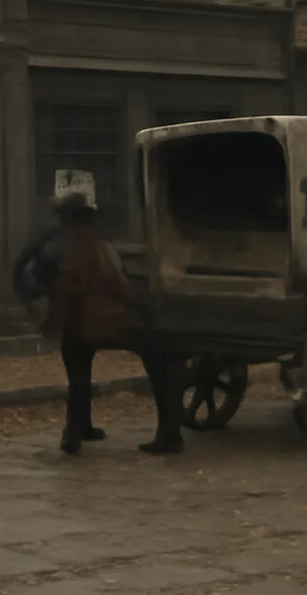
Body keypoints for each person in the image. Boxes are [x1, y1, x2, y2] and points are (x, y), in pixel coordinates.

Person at [13, 192, 183, 456]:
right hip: (109, 320)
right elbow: (119, 285)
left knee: (78, 376)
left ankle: (75, 430)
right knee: (159, 359)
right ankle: (170, 433)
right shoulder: (96, 246)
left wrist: (37, 303)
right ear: (85, 217)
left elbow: (25, 273)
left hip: (71, 321)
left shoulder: (47, 242)